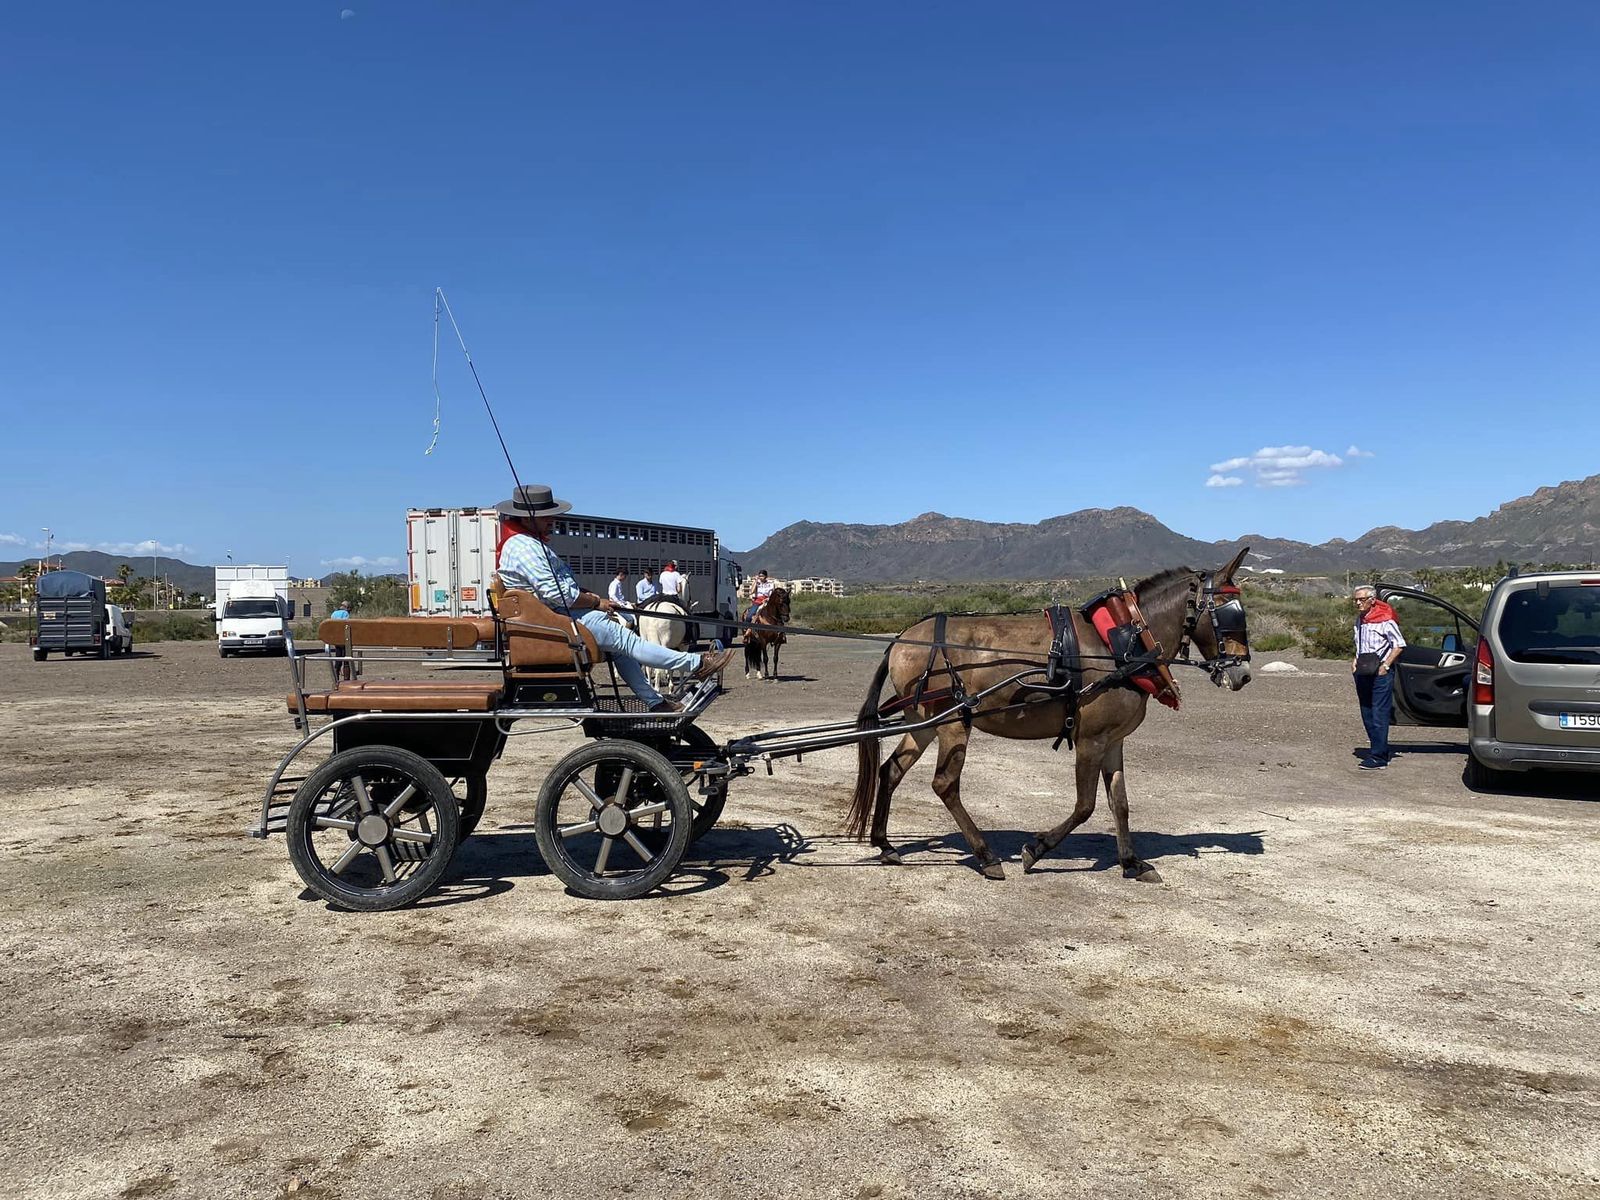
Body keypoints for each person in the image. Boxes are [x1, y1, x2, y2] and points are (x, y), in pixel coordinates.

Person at [495, 485, 733, 712]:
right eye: (546, 516)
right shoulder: (525, 547)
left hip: (557, 616)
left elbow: (562, 588)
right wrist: (596, 603)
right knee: (629, 641)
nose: (552, 521)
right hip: (559, 621)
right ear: (527, 518)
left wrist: (593, 599)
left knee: (621, 648)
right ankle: (697, 664)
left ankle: (654, 701)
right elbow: (559, 594)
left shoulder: (526, 543)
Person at [1351, 585, 1406, 771]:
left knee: (1379, 713)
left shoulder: (1385, 620)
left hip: (1380, 672)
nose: (1358, 603)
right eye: (1356, 599)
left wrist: (1386, 665)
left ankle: (1379, 756)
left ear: (1372, 600)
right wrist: (1355, 660)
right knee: (1366, 711)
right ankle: (1378, 748)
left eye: (1361, 599)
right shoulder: (1360, 620)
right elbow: (1359, 643)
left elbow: (1398, 645)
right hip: (1363, 670)